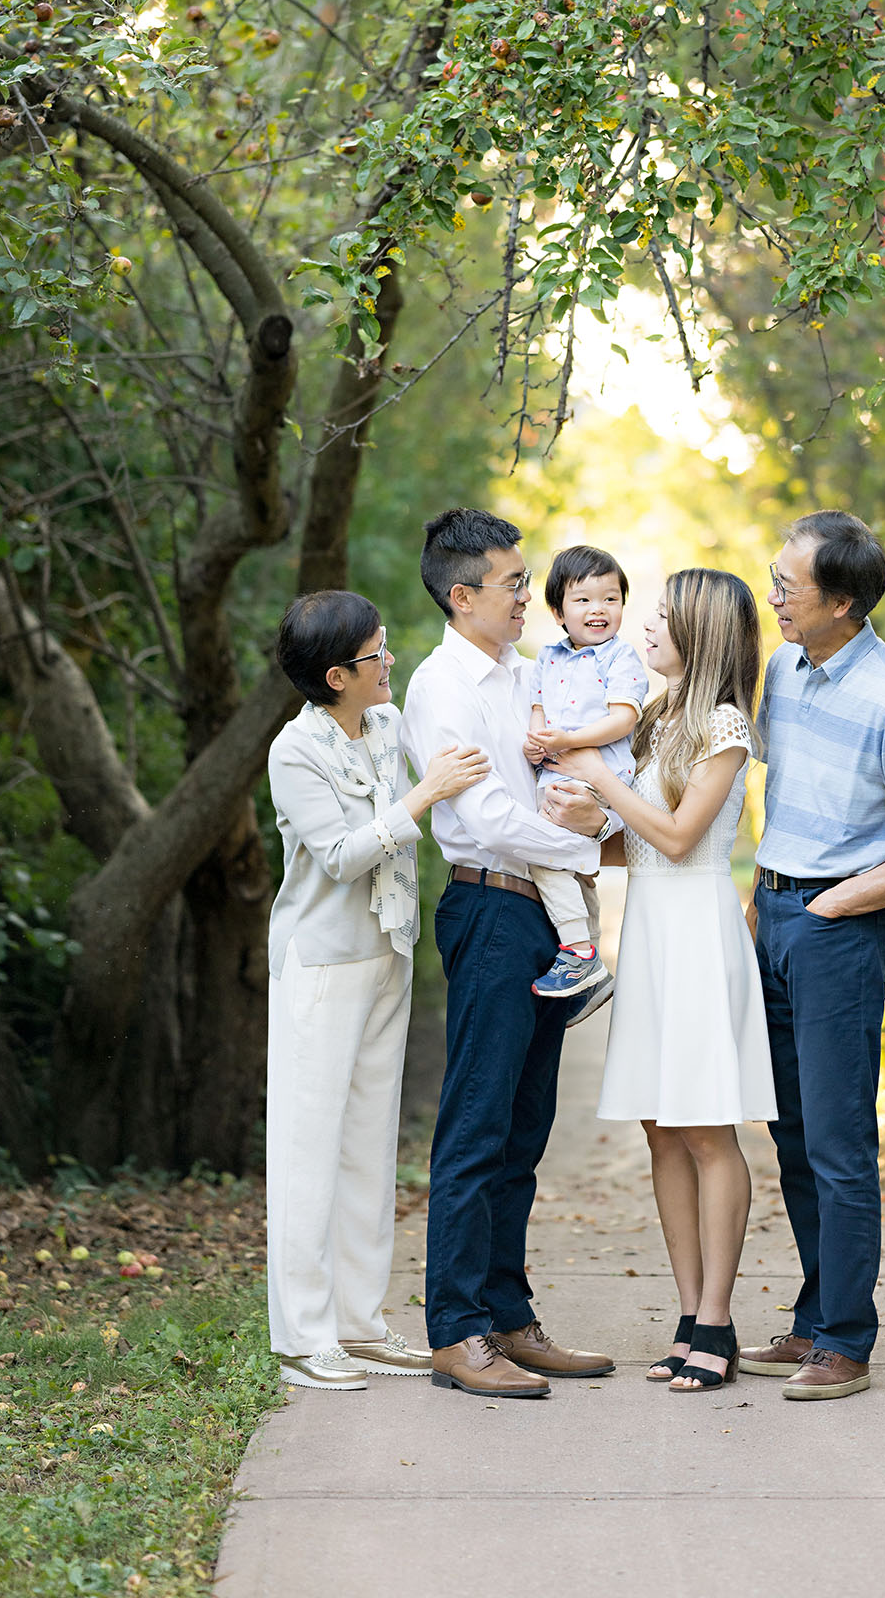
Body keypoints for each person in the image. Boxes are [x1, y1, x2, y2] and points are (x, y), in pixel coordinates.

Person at [738, 512, 885, 1402]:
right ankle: (814, 1316)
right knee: (790, 1136)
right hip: (775, 917)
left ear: (843, 601)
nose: (773, 594)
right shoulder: (785, 669)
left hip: (839, 931)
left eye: (788, 583)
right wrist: (765, 892)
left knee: (837, 1141)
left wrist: (834, 901)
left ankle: (847, 1342)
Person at [402, 508, 617, 1399]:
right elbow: (482, 817)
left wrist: (596, 819)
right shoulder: (438, 687)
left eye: (529, 582)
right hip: (489, 914)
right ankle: (455, 1330)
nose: (532, 597)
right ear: (462, 595)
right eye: (515, 584)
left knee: (526, 1127)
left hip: (541, 917)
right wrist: (585, 850)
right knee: (478, 1124)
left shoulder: (532, 675)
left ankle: (507, 1314)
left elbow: (573, 780)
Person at [558, 568, 775, 1392]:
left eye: (662, 618)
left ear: (704, 632)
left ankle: (717, 1320)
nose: (643, 629)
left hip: (695, 931)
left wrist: (603, 779)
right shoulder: (655, 719)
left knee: (707, 1128)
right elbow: (638, 846)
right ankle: (688, 1316)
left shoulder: (722, 723)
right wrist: (582, 829)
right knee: (659, 1125)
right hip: (647, 929)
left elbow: (683, 838)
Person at [266, 589, 488, 1390]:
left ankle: (359, 1324)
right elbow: (339, 854)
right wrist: (421, 798)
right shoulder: (294, 753)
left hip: (386, 951)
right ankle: (302, 1338)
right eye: (375, 655)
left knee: (366, 1144)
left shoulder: (387, 725)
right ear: (336, 675)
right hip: (321, 965)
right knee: (308, 1149)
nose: (389, 662)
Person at [524, 544, 649, 1002]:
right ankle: (588, 962)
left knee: (539, 851)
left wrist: (569, 743)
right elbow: (538, 708)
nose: (598, 609)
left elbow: (623, 719)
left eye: (610, 598)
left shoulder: (621, 657)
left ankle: (578, 950)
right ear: (558, 610)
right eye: (583, 600)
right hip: (553, 775)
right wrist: (536, 739)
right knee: (574, 871)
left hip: (596, 779)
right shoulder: (547, 657)